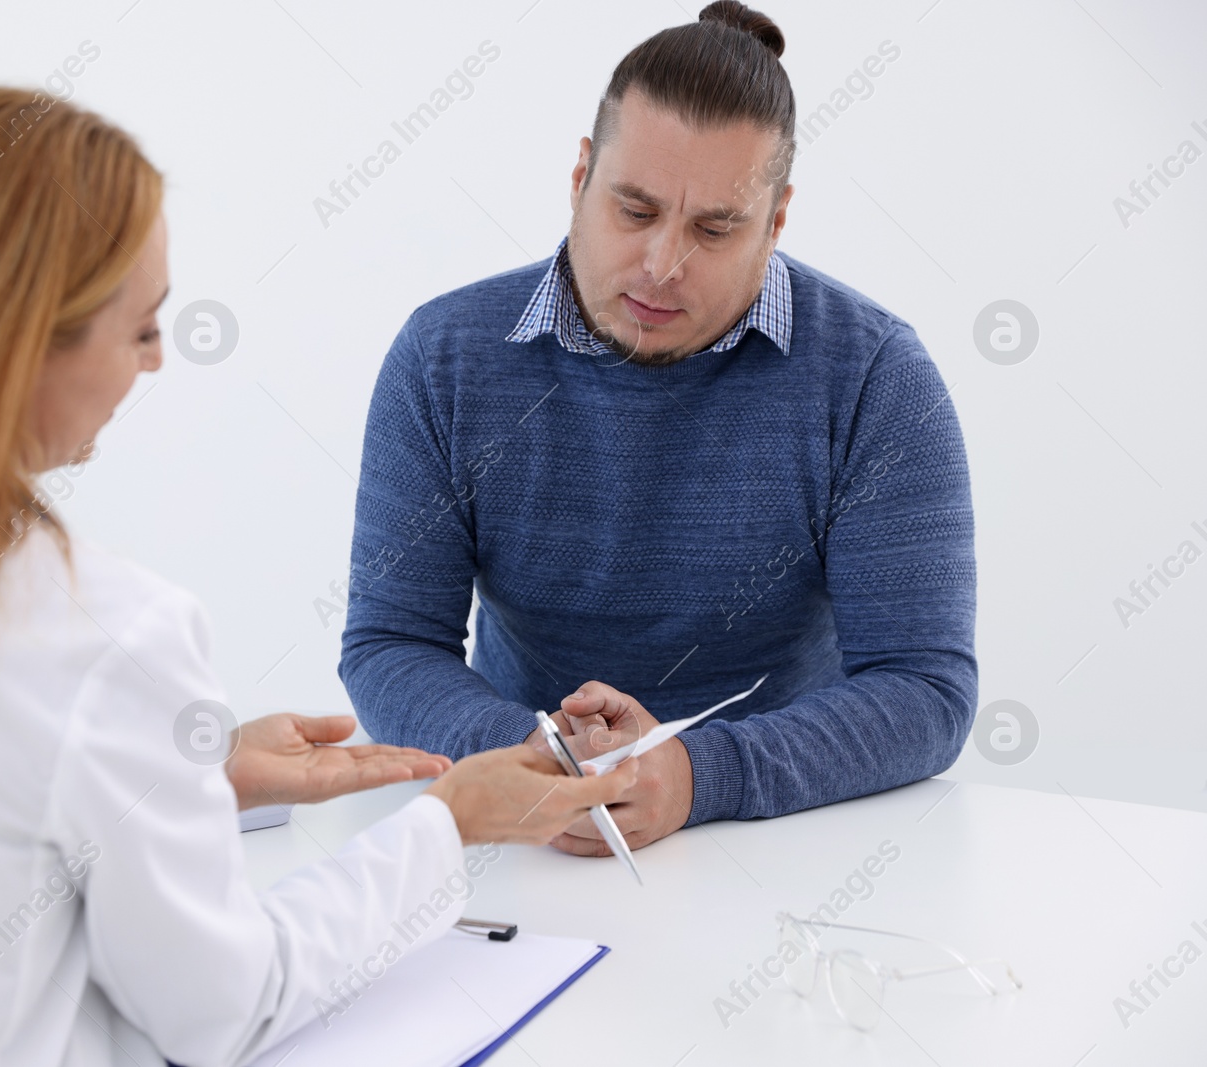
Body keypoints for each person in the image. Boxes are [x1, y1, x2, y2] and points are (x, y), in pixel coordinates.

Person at [0, 88, 637, 1067]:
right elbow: (224, 1009)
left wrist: (180, 778)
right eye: (142, 326)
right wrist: (450, 821)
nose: (155, 362)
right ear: (17, 347)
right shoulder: (99, 632)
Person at [340, 2, 976, 856]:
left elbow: (924, 688)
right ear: (579, 175)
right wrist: (529, 760)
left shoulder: (874, 377)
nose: (661, 265)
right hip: (518, 843)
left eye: (715, 228)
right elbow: (391, 641)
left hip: (785, 843)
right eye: (634, 210)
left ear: (777, 220)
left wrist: (697, 772)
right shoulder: (442, 359)